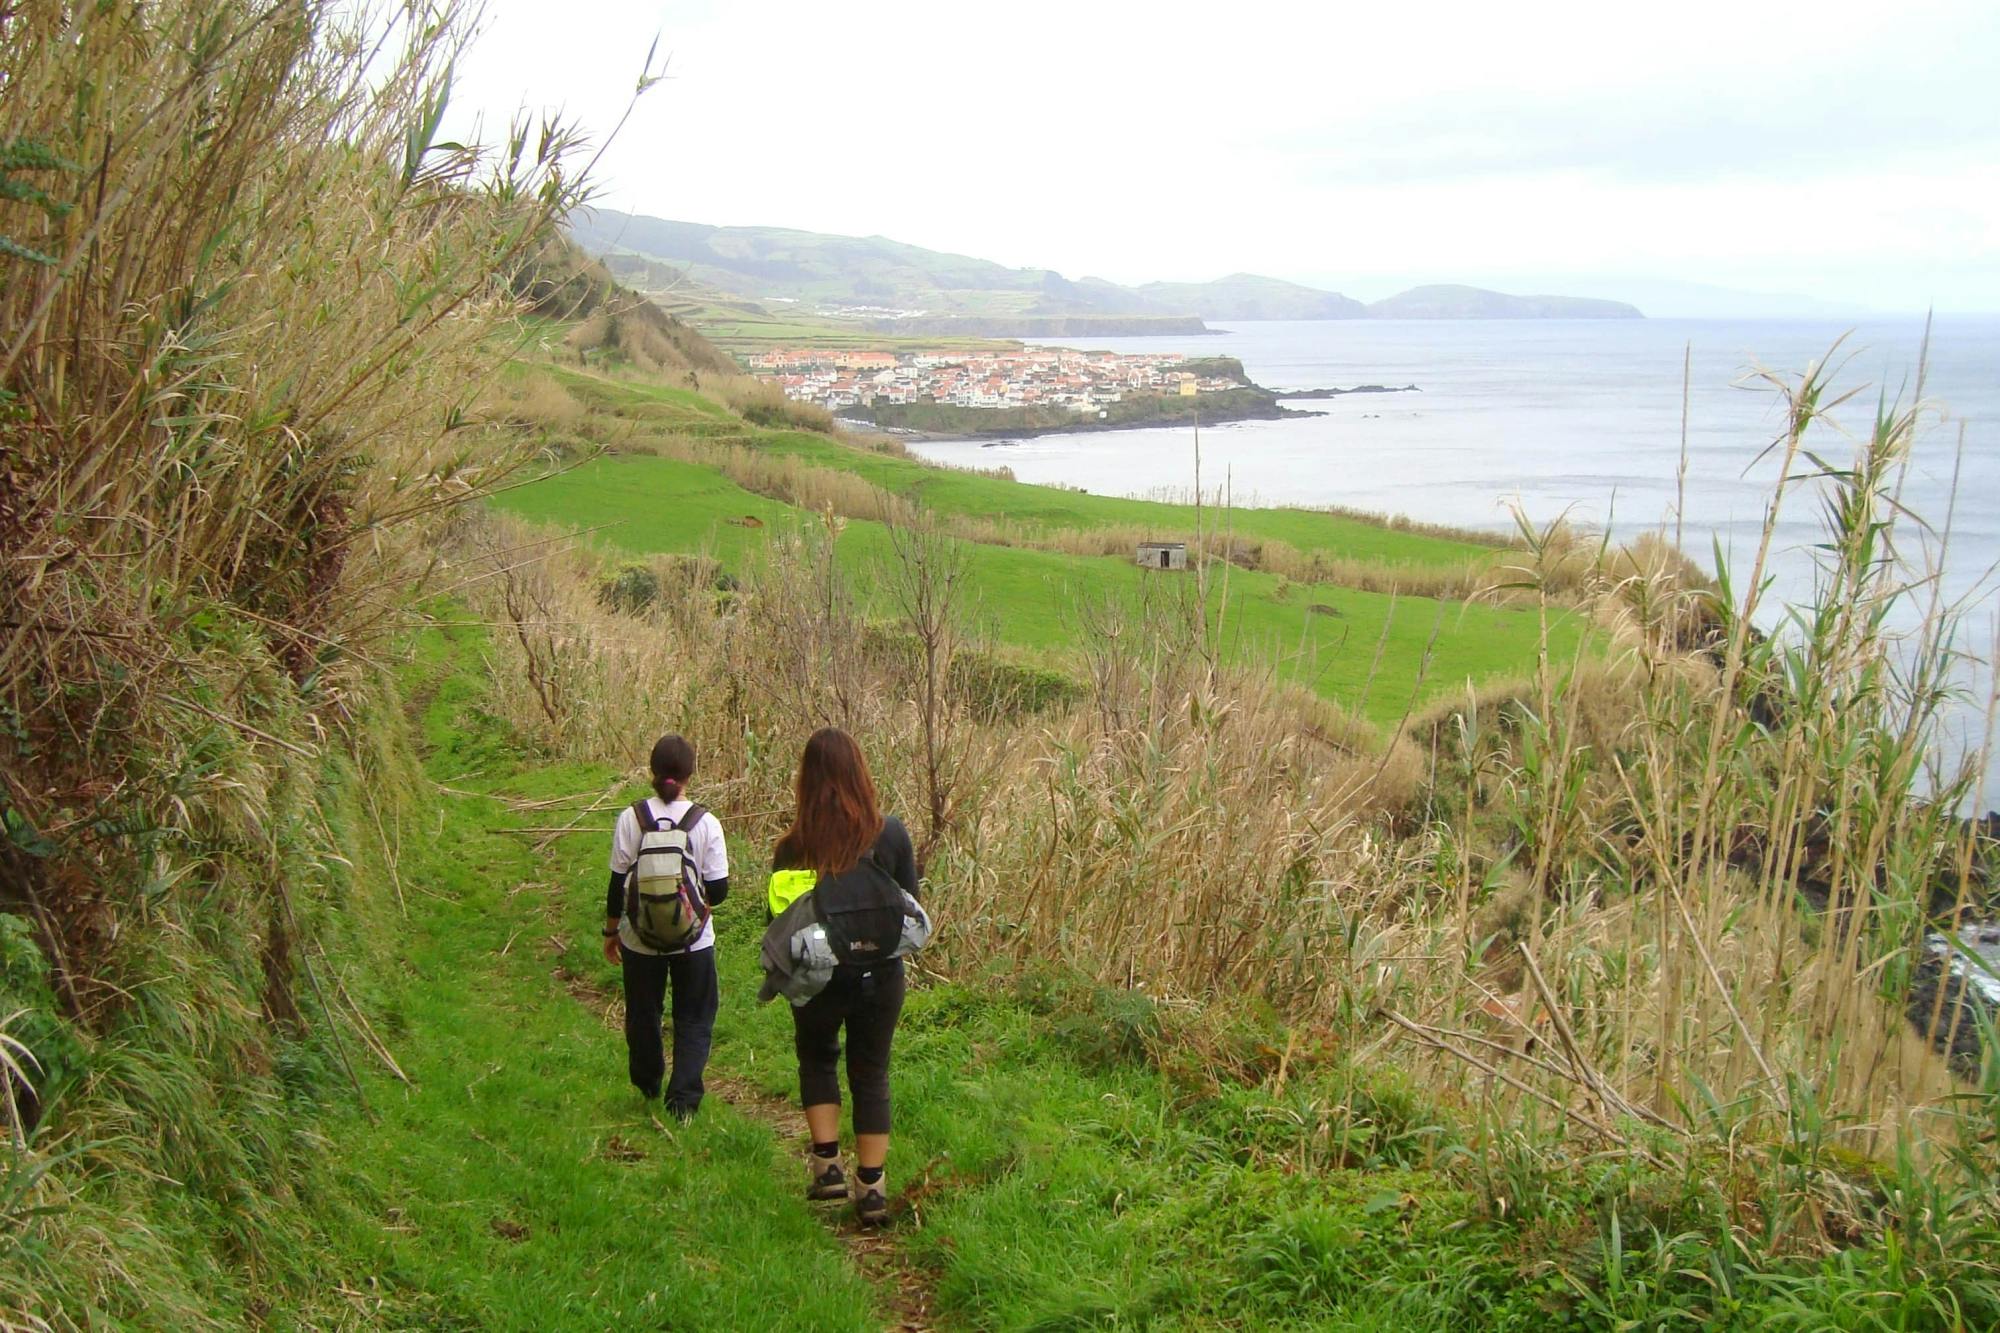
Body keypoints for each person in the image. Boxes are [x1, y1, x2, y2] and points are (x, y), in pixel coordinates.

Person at [769, 728, 920, 1225]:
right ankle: (872, 1190)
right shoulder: (891, 833)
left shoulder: (793, 847)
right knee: (871, 1073)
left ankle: (828, 1165)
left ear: (805, 782)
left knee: (816, 1058)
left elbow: (779, 920)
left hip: (818, 976)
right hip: (881, 974)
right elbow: (909, 904)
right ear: (861, 774)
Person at [604, 734, 729, 1119]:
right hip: (694, 943)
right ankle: (683, 1102)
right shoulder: (705, 822)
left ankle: (647, 1081)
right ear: (691, 773)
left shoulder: (632, 817)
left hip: (639, 939)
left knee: (643, 1011)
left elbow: (616, 884)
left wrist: (611, 933)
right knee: (694, 1015)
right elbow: (720, 890)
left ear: (652, 772)